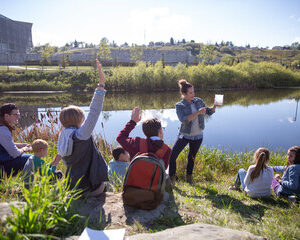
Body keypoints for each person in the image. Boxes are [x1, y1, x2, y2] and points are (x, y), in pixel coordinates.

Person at [57, 59, 108, 197]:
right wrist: (101, 84)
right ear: (79, 119)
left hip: (72, 185)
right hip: (88, 187)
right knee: (105, 185)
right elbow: (94, 111)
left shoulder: (63, 135)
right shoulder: (80, 135)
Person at [169, 79, 216, 184]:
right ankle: (172, 179)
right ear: (184, 94)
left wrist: (214, 107)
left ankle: (189, 178)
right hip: (185, 135)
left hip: (198, 136)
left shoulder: (198, 101)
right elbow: (184, 119)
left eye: (193, 92)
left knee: (192, 158)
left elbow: (209, 111)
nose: (193, 94)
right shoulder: (179, 105)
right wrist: (198, 112)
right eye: (190, 93)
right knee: (172, 156)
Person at [0, 103, 32, 176]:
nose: (19, 117)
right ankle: (46, 177)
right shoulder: (3, 130)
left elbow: (3, 144)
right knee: (31, 158)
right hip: (2, 167)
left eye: (19, 114)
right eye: (16, 115)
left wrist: (19, 145)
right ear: (6, 116)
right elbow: (15, 154)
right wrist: (25, 149)